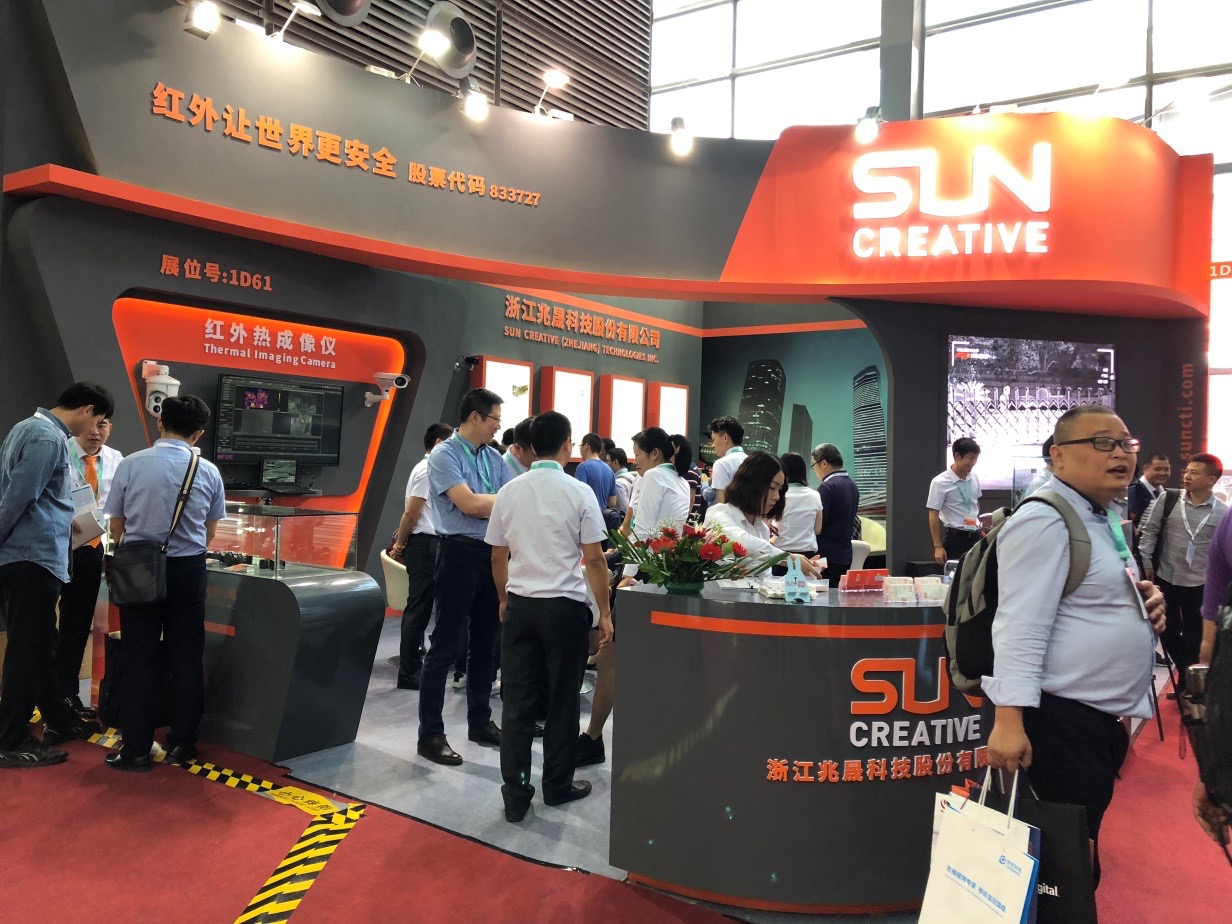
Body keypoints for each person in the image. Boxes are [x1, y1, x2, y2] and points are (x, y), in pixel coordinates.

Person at [984, 405, 1166, 885]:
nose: (1120, 453)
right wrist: (1009, 720)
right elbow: (1019, 623)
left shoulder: (1098, 515)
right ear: (1058, 456)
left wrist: (1145, 602)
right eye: (1102, 442)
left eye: (1126, 443)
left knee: (1074, 854)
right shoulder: (1045, 518)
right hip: (1059, 721)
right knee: (1061, 870)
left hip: (1093, 721)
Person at [488, 411, 614, 822]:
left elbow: (498, 554)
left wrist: (504, 598)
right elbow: (595, 559)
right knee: (563, 700)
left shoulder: (509, 491)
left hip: (521, 606)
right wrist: (605, 613)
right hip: (564, 610)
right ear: (567, 445)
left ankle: (516, 794)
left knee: (517, 703)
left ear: (530, 446)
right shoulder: (578, 492)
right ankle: (557, 786)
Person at [103, 395, 226, 771]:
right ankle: (183, 744)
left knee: (138, 656)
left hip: (140, 567)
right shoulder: (208, 471)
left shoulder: (131, 463)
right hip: (189, 570)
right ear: (199, 432)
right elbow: (210, 531)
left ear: (160, 422)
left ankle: (136, 749)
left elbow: (116, 525)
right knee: (186, 656)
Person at [0, 382, 113, 768]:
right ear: (87, 409)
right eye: (97, 420)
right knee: (27, 650)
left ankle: (59, 719)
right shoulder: (47, 437)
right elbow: (20, 496)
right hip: (32, 556)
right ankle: (10, 740)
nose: (94, 429)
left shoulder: (26, 428)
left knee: (40, 644)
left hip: (31, 556)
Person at [579, 427, 691, 768]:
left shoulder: (654, 477)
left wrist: (628, 572)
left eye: (638, 455)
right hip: (666, 575)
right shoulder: (681, 481)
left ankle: (593, 738)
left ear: (654, 454)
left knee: (610, 660)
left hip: (642, 573)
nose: (635, 462)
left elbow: (642, 530)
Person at [418, 387, 513, 766]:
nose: (498, 427)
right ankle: (430, 735)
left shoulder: (494, 456)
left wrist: (489, 503)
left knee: (486, 644)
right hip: (457, 553)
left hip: (493, 554)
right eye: (495, 420)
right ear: (475, 417)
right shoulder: (444, 454)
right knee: (444, 645)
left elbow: (505, 504)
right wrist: (493, 502)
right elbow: (469, 504)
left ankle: (480, 722)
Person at [52, 413, 124, 722]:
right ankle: (42, 694)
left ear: (111, 428)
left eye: (103, 425)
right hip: (53, 546)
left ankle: (67, 696)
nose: (95, 432)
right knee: (40, 626)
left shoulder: (116, 459)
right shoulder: (59, 449)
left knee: (77, 626)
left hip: (91, 549)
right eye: (92, 424)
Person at [1140, 453, 1227, 697]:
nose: (1187, 476)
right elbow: (1150, 531)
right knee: (1166, 631)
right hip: (1166, 576)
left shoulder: (1222, 513)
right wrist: (1145, 562)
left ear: (1211, 480)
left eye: (1194, 473)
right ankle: (1186, 674)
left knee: (1193, 637)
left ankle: (1187, 685)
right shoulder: (1168, 499)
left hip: (1200, 582)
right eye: (1187, 471)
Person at [391, 422, 454, 690]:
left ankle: (419, 666)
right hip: (426, 544)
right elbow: (411, 513)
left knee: (425, 608)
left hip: (430, 543)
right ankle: (409, 672)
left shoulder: (430, 468)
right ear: (438, 443)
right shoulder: (428, 470)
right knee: (418, 609)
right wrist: (400, 544)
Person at [704, 451, 821, 577]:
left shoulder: (762, 528)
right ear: (751, 485)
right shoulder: (718, 513)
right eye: (772, 488)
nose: (777, 496)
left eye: (780, 490)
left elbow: (764, 578)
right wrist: (789, 559)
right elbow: (743, 542)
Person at [927, 437, 983, 566]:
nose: (973, 462)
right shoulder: (940, 482)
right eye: (970, 458)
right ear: (957, 456)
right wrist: (938, 546)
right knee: (956, 575)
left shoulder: (974, 477)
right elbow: (933, 514)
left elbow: (975, 503)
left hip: (976, 536)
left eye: (976, 459)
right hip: (956, 538)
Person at [811, 443, 860, 583]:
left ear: (823, 463)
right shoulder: (852, 485)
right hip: (845, 555)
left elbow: (818, 525)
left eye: (813, 466)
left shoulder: (827, 487)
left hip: (826, 556)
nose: (814, 471)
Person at [775, 452, 823, 557]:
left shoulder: (778, 495)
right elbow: (817, 530)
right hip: (808, 553)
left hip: (781, 554)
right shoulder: (815, 495)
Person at [574, 433, 619, 528]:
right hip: (603, 522)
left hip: (587, 521)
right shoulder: (609, 470)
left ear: (586, 446)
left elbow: (579, 498)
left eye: (580, 446)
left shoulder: (582, 467)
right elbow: (613, 502)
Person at [702, 416, 745, 505]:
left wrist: (704, 481)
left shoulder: (721, 463)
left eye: (713, 439)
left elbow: (721, 506)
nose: (713, 445)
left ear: (725, 438)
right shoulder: (751, 462)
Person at [672, 433, 703, 522]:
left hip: (688, 521)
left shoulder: (689, 470)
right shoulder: (688, 468)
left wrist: (683, 520)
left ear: (677, 449)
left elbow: (691, 499)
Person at [607, 447, 636, 516]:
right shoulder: (632, 477)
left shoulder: (618, 483)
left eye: (608, 461)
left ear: (615, 462)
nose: (606, 464)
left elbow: (625, 507)